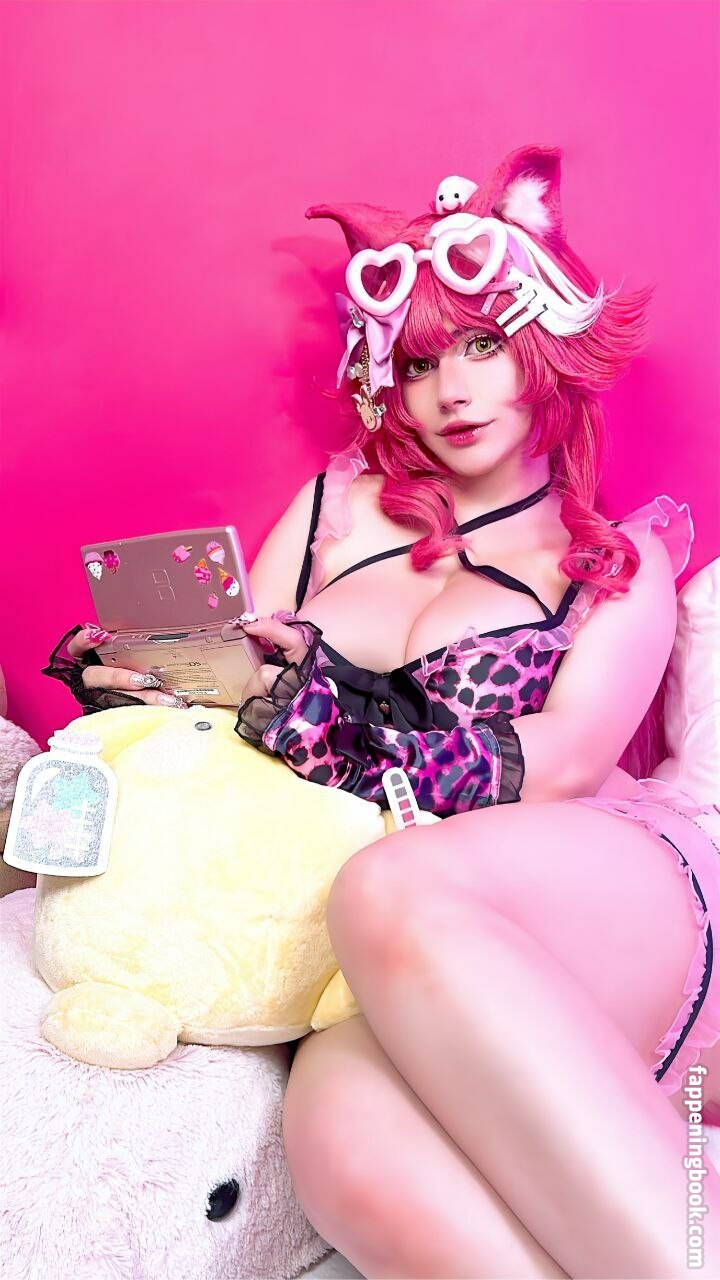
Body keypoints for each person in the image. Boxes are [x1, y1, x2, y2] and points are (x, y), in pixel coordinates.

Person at [44, 145, 720, 1278]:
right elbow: (251, 689)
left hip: (594, 890)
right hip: (385, 947)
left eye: (483, 344)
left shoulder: (615, 558)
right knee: (337, 1125)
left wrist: (318, 720)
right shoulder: (332, 509)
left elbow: (558, 763)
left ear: (545, 346)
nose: (451, 389)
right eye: (416, 361)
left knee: (394, 882)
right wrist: (147, 679)